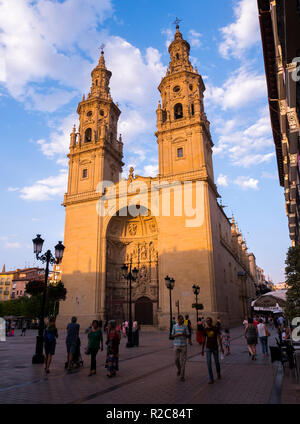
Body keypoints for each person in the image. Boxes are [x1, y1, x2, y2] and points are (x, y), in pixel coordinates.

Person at [202, 317, 224, 384]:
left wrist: (221, 347)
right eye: (206, 321)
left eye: (208, 321)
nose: (207, 322)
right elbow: (204, 340)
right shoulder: (205, 329)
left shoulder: (215, 328)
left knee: (216, 362)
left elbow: (219, 338)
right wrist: (202, 349)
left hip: (215, 347)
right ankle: (211, 379)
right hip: (208, 348)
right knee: (208, 363)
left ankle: (218, 373)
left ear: (211, 321)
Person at [171, 314, 190, 382]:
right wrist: (176, 335)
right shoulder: (174, 326)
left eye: (182, 319)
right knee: (176, 360)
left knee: (183, 361)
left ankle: (182, 376)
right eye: (180, 319)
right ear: (178, 319)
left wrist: (184, 334)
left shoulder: (185, 326)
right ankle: (179, 369)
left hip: (184, 345)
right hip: (176, 345)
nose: (182, 320)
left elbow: (188, 335)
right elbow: (172, 335)